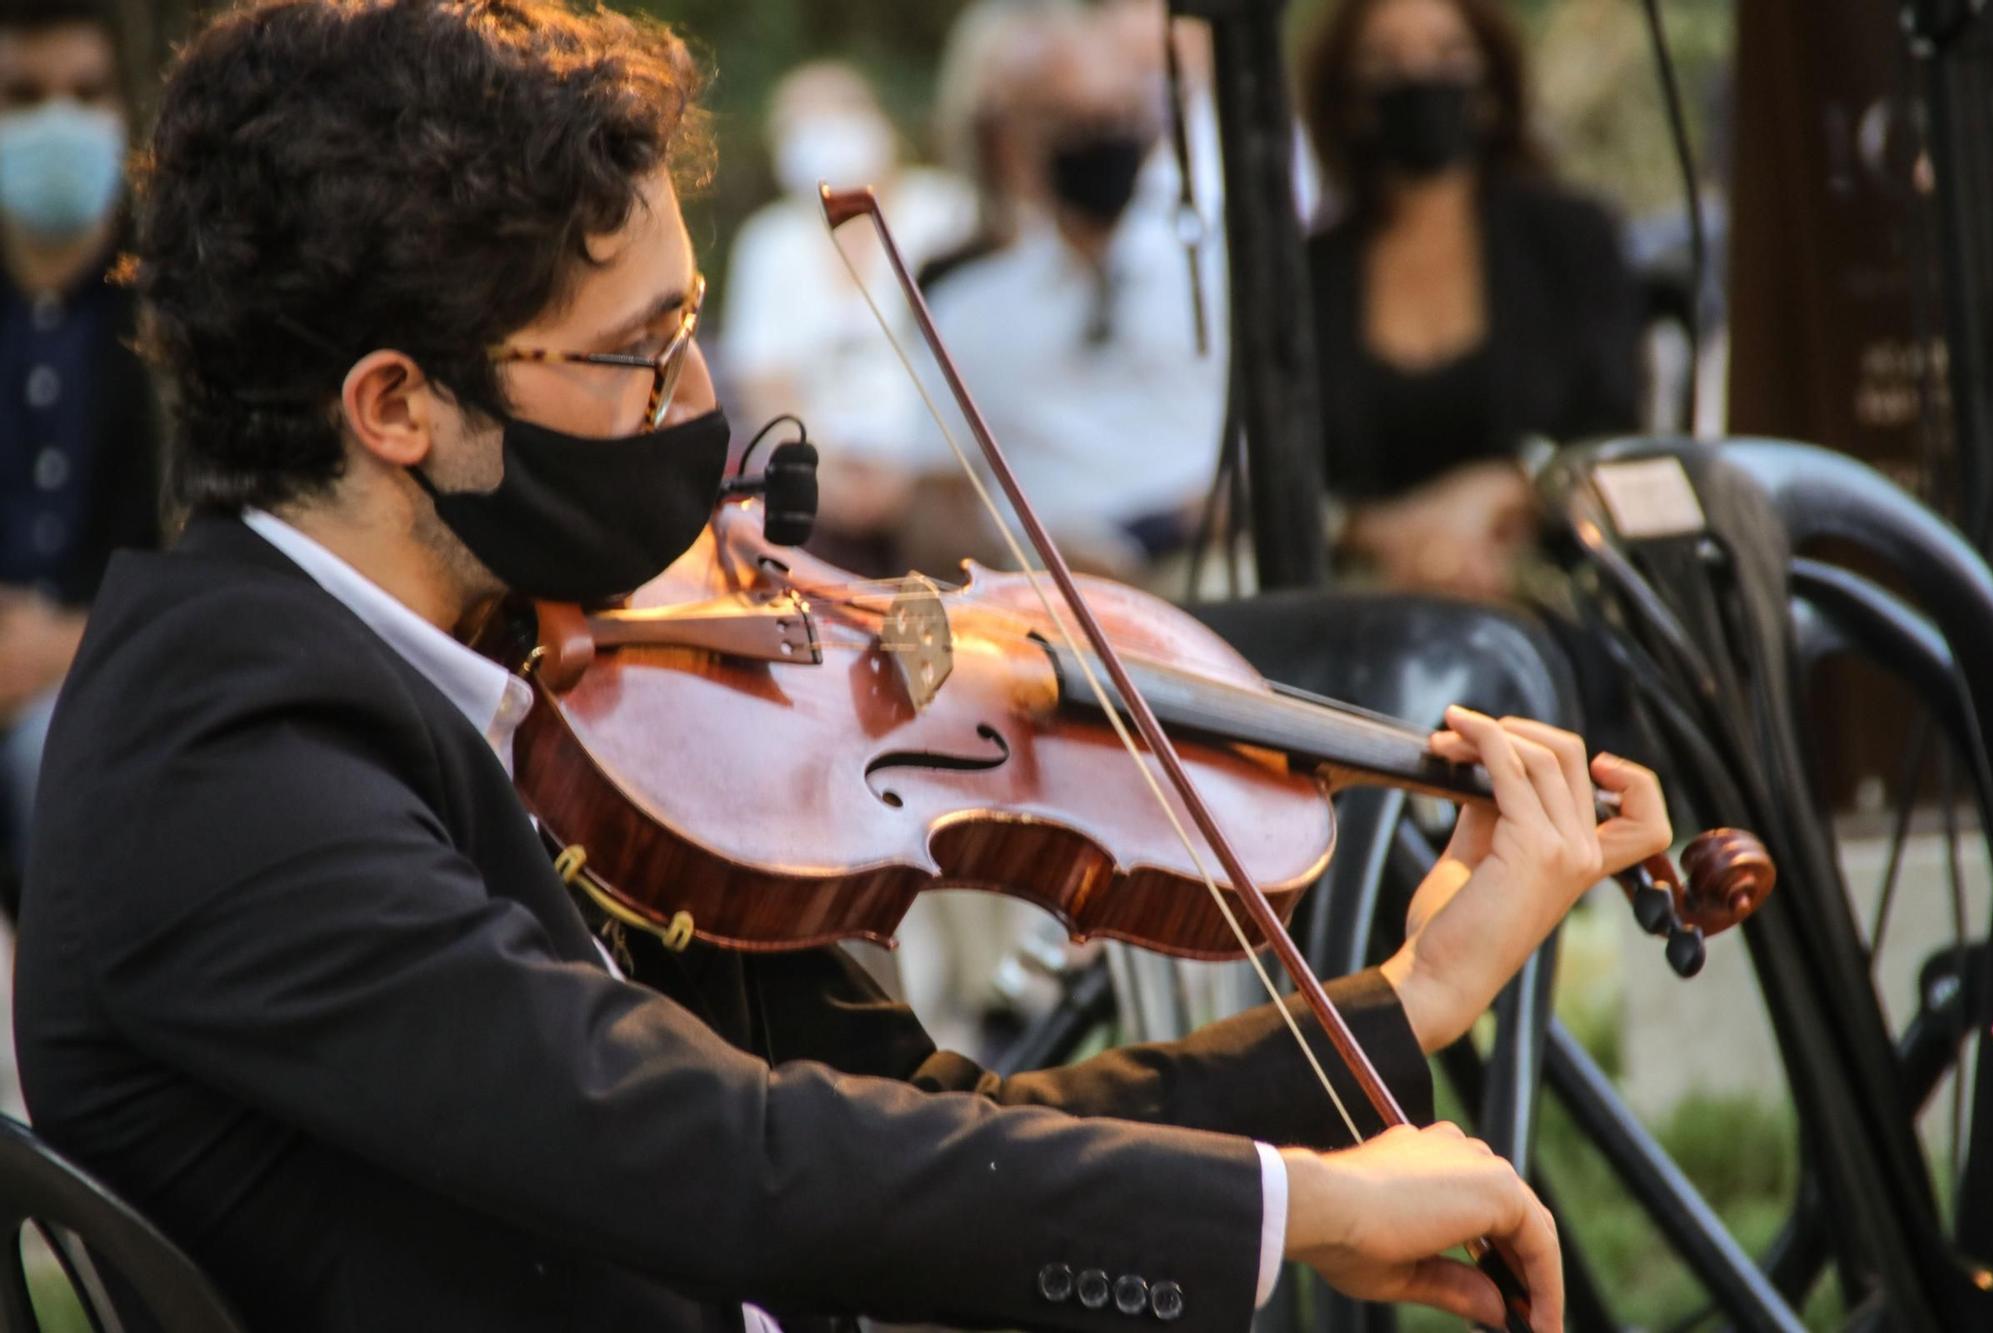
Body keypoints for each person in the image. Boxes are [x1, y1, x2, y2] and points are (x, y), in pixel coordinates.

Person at [16, 3, 1673, 1331]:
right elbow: (741, 1166)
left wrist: (1416, 996)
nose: (701, 406)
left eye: (694, 329)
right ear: (396, 408)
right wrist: (1298, 1208)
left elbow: (912, 1108)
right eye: (638, 354)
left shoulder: (505, 672)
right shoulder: (223, 761)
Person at [1299, 0, 1643, 597]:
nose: (1418, 78)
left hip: (1553, 588)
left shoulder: (1571, 239)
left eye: (1447, 54)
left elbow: (1616, 437)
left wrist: (1504, 492)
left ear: (1490, 82)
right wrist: (1387, 534)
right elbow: (1293, 477)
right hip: (1368, 601)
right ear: (1348, 97)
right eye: (1385, 60)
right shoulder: (1310, 270)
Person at [906, 3, 1225, 580]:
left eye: (1116, 116)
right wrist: (1026, 559)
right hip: (1041, 597)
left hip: (1198, 574)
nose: (1098, 137)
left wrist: (1145, 541)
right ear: (1014, 139)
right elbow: (934, 506)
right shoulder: (967, 303)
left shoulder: (1214, 275)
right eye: (1067, 120)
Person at [0, 0, 158, 908]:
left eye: (84, 92)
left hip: (102, 690)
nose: (57, 121)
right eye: (24, 95)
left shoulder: (175, 315)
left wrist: (70, 643)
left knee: (65, 764)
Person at [718, 60, 973, 568]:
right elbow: (765, 381)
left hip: (938, 476)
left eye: (838, 113)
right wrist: (821, 474)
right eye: (798, 125)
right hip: (827, 482)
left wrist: (917, 470)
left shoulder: (946, 211)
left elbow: (977, 358)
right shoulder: (771, 243)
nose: (821, 135)